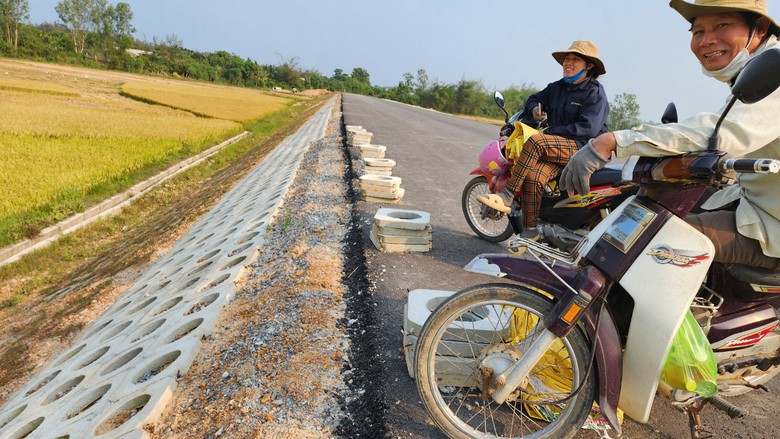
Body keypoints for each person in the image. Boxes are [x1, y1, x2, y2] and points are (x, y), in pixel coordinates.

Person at [560, 0, 780, 270]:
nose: (707, 40)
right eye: (698, 31)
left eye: (722, 25)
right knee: (645, 208)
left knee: (652, 241)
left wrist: (614, 141)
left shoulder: (775, 69)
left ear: (760, 28)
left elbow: (723, 133)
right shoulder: (753, 73)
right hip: (748, 202)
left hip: (771, 226)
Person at [476, 40, 609, 242]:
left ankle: (508, 195)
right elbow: (532, 99)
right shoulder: (557, 88)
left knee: (537, 142)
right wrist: (534, 109)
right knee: (533, 177)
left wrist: (551, 132)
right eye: (567, 59)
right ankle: (531, 232)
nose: (568, 63)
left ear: (589, 65)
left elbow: (587, 128)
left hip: (584, 148)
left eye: (575, 59)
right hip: (557, 147)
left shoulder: (595, 93)